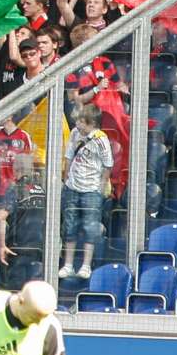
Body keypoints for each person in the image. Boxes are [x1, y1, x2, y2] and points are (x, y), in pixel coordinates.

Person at [57, 105, 111, 280]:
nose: (78, 124)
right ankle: (68, 265)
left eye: (82, 121)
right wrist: (66, 178)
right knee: (69, 226)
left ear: (92, 123)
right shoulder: (74, 133)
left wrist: (100, 187)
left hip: (91, 190)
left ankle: (86, 266)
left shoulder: (101, 140)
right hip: (72, 187)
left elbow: (108, 165)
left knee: (90, 227)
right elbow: (68, 156)